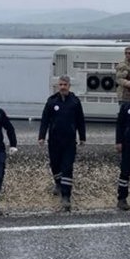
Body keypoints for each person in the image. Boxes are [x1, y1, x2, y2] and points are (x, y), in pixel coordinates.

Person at [38, 75, 86, 212]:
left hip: (69, 141)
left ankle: (66, 196)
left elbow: (80, 121)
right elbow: (45, 120)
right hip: (54, 141)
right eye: (61, 84)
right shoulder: (52, 101)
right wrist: (41, 136)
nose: (63, 87)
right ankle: (58, 183)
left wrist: (82, 137)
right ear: (58, 86)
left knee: (67, 167)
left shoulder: (75, 102)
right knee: (55, 165)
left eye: (65, 84)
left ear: (69, 86)